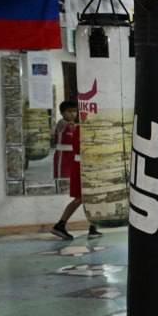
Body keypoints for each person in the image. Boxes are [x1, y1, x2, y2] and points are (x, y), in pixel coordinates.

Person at [50, 99, 100, 240]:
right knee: (82, 198)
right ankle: (62, 225)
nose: (73, 114)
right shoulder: (64, 124)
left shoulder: (81, 127)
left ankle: (92, 227)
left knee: (88, 197)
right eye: (69, 111)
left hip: (83, 165)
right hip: (77, 165)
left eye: (75, 112)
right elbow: (66, 126)